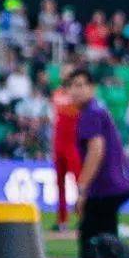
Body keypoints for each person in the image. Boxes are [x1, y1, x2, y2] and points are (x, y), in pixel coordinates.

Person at [67, 67, 129, 258]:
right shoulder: (97, 110)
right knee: (106, 240)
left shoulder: (90, 113)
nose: (75, 91)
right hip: (115, 184)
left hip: (106, 187)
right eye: (72, 86)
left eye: (80, 85)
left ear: (92, 88)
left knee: (91, 248)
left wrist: (82, 188)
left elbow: (96, 150)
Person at [50, 81, 81, 232]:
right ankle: (62, 220)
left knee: (79, 183)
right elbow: (55, 119)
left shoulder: (77, 96)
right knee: (59, 184)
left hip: (72, 145)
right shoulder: (56, 93)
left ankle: (82, 217)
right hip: (58, 145)